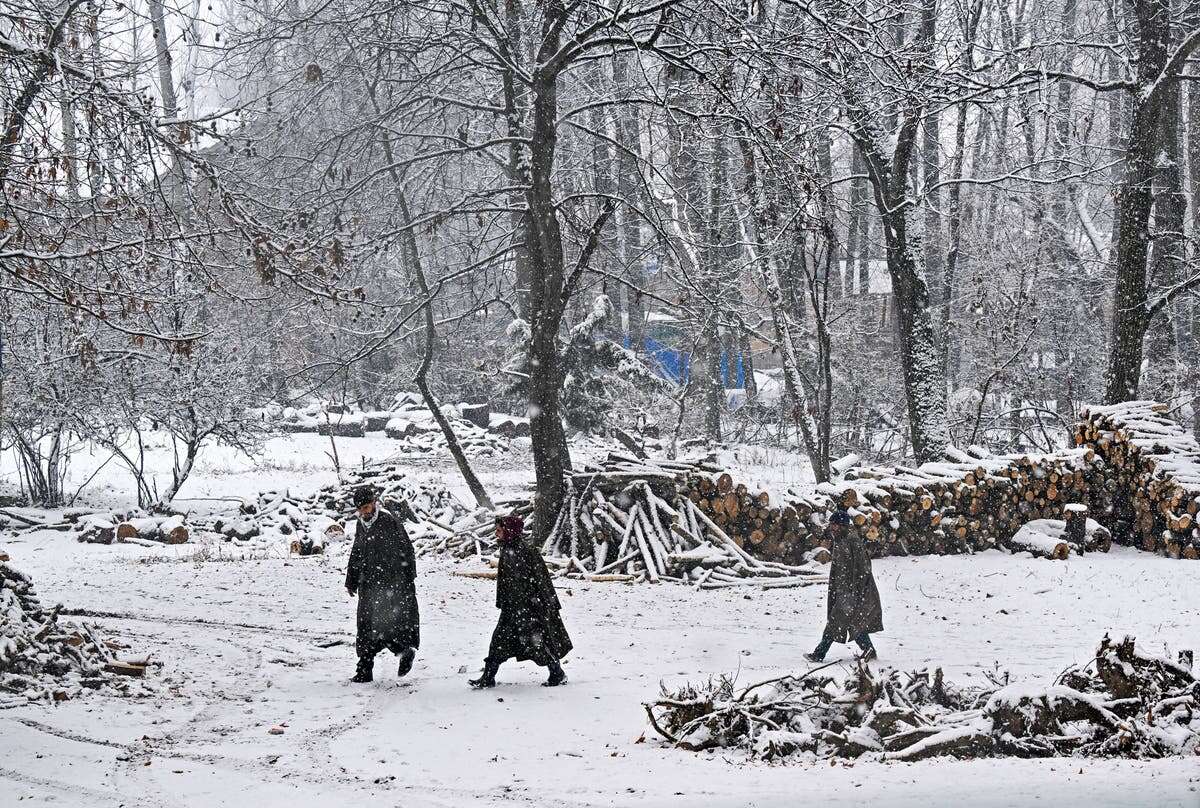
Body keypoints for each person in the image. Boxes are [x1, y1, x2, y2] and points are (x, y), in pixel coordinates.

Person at [469, 515, 572, 688]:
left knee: (538, 643)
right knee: (499, 642)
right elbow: (506, 580)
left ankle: (557, 674)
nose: (496, 534)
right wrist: (504, 601)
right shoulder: (507, 549)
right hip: (512, 607)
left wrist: (543, 604)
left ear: (509, 531)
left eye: (499, 530)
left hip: (530, 608)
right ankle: (488, 677)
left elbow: (541, 579)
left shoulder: (527, 551)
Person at [345, 485, 420, 683]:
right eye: (360, 509)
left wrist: (406, 579)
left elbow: (407, 549)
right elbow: (357, 552)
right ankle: (364, 670)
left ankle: (404, 651)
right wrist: (351, 580)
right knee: (365, 627)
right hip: (368, 584)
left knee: (386, 626)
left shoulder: (389, 522)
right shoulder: (361, 525)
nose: (364, 512)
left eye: (367, 508)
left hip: (390, 584)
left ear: (375, 504)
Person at [804, 509, 882, 663]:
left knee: (836, 622)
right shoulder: (840, 540)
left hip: (852, 591)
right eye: (832, 525)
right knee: (854, 622)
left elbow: (864, 567)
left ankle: (819, 654)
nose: (832, 528)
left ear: (843, 526)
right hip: (843, 590)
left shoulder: (852, 541)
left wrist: (854, 589)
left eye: (835, 525)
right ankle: (869, 650)